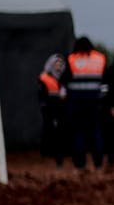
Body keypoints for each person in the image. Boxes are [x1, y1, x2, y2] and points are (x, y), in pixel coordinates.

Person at [63, 37, 108, 171]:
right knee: (96, 132)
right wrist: (102, 100)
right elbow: (105, 83)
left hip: (76, 103)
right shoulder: (100, 58)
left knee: (78, 133)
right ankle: (98, 164)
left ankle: (80, 164)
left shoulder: (71, 59)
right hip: (95, 102)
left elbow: (64, 83)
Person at [37, 54, 66, 166]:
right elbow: (41, 94)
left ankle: (58, 154)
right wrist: (43, 106)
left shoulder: (63, 77)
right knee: (48, 128)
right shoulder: (44, 77)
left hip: (60, 107)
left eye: (60, 64)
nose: (58, 66)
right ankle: (46, 152)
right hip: (49, 107)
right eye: (56, 64)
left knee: (60, 130)